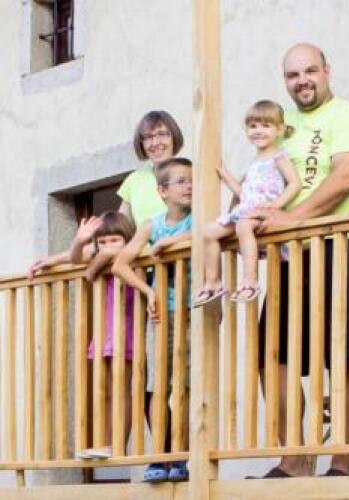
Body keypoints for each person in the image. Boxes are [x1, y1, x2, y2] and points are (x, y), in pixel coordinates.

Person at [250, 43, 349, 478]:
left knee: (341, 356)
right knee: (274, 355)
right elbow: (261, 181)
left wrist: (293, 218)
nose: (302, 80)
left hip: (342, 245)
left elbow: (347, 177)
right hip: (290, 256)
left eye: (310, 71)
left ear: (327, 71)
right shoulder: (280, 127)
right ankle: (294, 461)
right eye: (293, 75)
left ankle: (342, 462)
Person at [29, 211, 137, 459]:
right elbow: (77, 256)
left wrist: (92, 270)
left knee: (122, 390)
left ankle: (118, 444)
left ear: (127, 239)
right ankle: (106, 443)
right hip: (105, 332)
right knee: (106, 390)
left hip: (127, 331)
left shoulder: (132, 254)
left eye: (115, 240)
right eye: (103, 241)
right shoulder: (99, 253)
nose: (109, 246)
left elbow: (103, 256)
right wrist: (78, 241)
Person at [27, 110, 184, 277]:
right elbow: (112, 236)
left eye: (162, 134)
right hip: (148, 275)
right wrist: (52, 260)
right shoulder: (135, 180)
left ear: (174, 137)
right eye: (148, 137)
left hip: (184, 268)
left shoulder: (191, 175)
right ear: (141, 143)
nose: (155, 142)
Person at [113, 157, 193, 483]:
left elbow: (206, 233)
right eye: (181, 181)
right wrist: (148, 291)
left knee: (186, 386)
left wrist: (170, 242)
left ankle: (181, 456)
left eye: (193, 180)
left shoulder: (198, 217)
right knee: (157, 386)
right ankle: (161, 453)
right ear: (163, 191)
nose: (189, 186)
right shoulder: (151, 224)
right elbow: (120, 264)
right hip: (162, 314)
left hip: (192, 312)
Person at [193, 100, 301, 307]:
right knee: (208, 232)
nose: (258, 131)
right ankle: (213, 282)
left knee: (243, 226)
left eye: (265, 125)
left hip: (263, 211)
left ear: (279, 129)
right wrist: (226, 177)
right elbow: (245, 194)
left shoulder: (278, 156)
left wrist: (276, 205)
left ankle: (250, 281)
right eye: (253, 126)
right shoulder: (255, 161)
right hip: (246, 209)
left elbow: (295, 183)